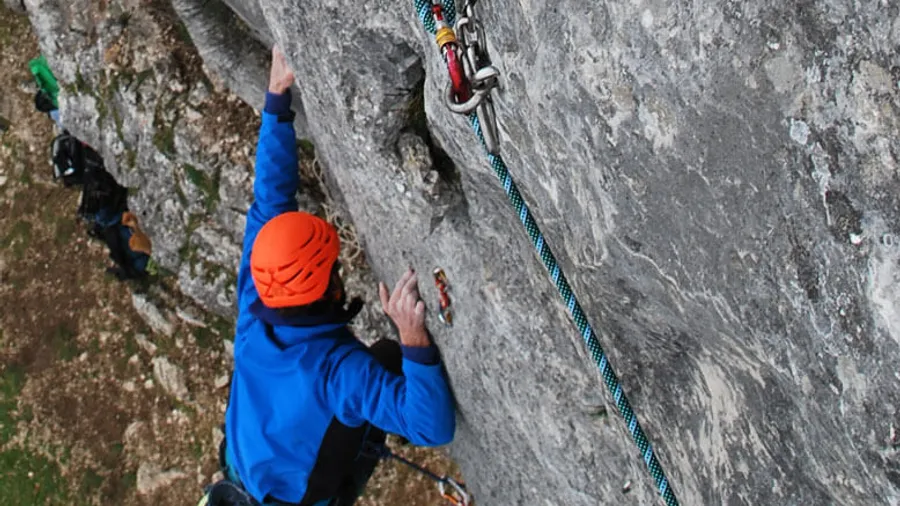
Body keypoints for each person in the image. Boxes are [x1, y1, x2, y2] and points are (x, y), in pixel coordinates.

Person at [217, 47, 456, 506]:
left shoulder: (257, 300)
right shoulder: (340, 374)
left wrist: (277, 99)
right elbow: (431, 425)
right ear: (329, 287)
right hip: (293, 494)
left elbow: (271, 201)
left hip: (241, 475)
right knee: (389, 358)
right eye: (334, 267)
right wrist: (412, 337)